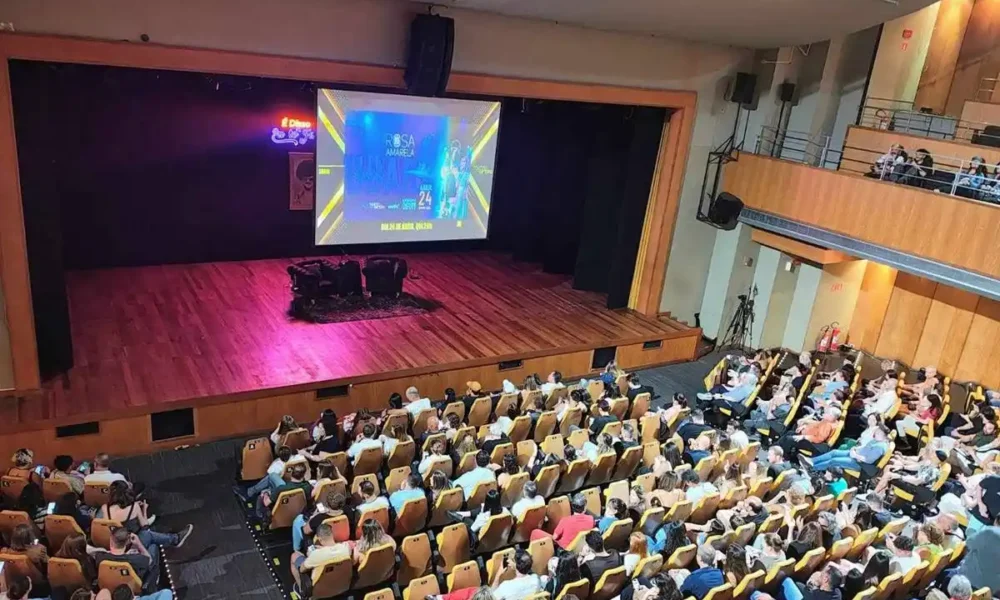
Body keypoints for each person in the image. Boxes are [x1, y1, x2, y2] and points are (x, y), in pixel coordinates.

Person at [99, 481, 193, 550]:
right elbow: (144, 525)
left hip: (115, 541)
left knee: (150, 538)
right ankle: (175, 539)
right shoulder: (134, 507)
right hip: (131, 543)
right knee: (147, 534)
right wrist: (144, 509)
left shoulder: (105, 508)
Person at [289, 521, 351, 595]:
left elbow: (302, 569)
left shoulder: (316, 555)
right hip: (339, 584)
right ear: (332, 534)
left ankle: (302, 590)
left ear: (320, 539)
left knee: (295, 555)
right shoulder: (346, 548)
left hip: (319, 587)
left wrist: (310, 557)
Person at [94, 527, 160, 594]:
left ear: (111, 539)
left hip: (109, 586)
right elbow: (150, 561)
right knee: (153, 547)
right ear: (127, 542)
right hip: (132, 588)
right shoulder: (136, 560)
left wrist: (125, 554)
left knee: (146, 536)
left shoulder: (99, 557)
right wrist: (139, 544)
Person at [804, 425, 889, 473]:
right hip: (856, 454)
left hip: (860, 464)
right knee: (834, 452)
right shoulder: (876, 440)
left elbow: (868, 460)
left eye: (877, 433)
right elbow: (864, 447)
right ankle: (811, 461)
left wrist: (855, 455)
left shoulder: (879, 447)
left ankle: (812, 468)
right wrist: (856, 448)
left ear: (883, 436)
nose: (875, 434)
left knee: (834, 460)